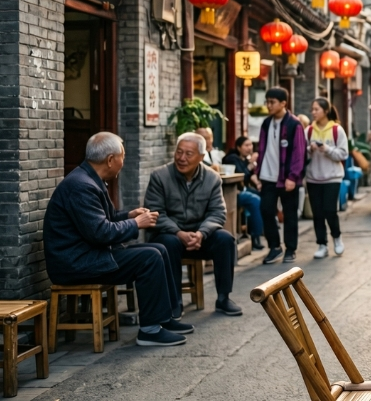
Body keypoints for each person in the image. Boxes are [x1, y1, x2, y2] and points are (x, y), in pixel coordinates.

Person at [43, 132, 191, 347]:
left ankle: (163, 319)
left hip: (88, 255)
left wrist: (128, 216)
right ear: (111, 159)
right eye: (123, 155)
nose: (124, 160)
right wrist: (136, 224)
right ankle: (149, 331)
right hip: (76, 263)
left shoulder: (90, 178)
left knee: (160, 248)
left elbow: (105, 220)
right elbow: (100, 232)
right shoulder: (82, 186)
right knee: (149, 256)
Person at [145, 133, 242, 317]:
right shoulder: (160, 176)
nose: (182, 158)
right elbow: (155, 213)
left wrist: (201, 234)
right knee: (169, 243)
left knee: (225, 239)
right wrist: (178, 232)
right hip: (170, 236)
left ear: (202, 157)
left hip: (199, 237)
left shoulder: (212, 178)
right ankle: (175, 303)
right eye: (179, 152)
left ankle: (223, 298)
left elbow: (217, 212)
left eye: (188, 154)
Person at [255, 87, 307, 264]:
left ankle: (290, 249)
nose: (269, 105)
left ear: (283, 103)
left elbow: (299, 152)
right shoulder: (266, 124)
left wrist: (293, 176)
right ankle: (274, 247)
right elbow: (261, 150)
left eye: (272, 102)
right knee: (266, 209)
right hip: (267, 176)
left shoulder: (294, 124)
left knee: (290, 214)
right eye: (267, 102)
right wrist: (258, 173)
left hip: (287, 177)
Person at [306, 98, 349, 259]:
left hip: (332, 177)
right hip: (313, 177)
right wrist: (310, 149)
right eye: (312, 109)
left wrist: (327, 149)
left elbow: (344, 154)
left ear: (325, 111)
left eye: (316, 109)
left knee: (330, 210)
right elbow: (301, 153)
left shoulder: (337, 130)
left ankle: (337, 238)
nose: (313, 112)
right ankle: (321, 244)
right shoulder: (309, 131)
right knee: (317, 213)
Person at [223, 136, 265, 251]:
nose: (249, 148)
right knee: (255, 200)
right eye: (246, 145)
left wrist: (258, 184)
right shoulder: (232, 158)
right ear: (238, 147)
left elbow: (251, 175)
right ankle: (255, 237)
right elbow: (242, 175)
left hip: (243, 189)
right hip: (232, 192)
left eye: (251, 145)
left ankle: (262, 230)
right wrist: (251, 164)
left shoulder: (244, 158)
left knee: (264, 195)